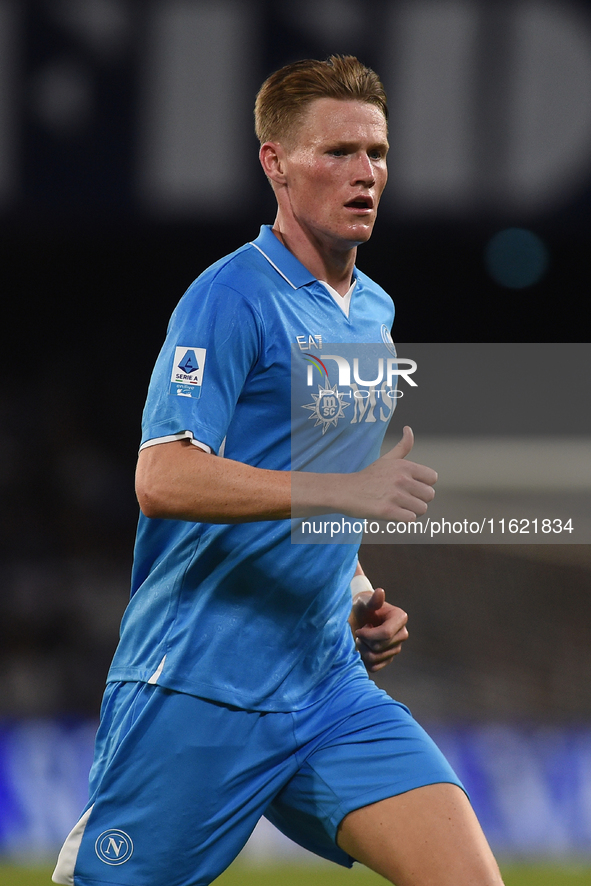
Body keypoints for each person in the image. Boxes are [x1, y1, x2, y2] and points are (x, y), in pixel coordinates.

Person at [53, 56, 504, 886]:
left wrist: (359, 593)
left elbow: (325, 486)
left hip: (326, 686)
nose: (365, 173)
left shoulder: (372, 312)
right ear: (274, 162)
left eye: (376, 152)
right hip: (199, 687)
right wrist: (342, 491)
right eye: (337, 152)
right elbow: (163, 478)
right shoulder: (229, 297)